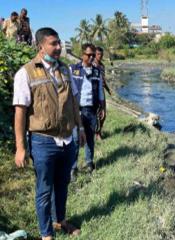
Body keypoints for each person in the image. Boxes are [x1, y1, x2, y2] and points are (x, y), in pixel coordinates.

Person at [13, 27, 84, 240]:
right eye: (53, 44)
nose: (59, 47)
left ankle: (60, 221)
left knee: (62, 183)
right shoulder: (25, 73)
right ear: (40, 47)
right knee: (44, 190)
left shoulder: (65, 70)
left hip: (67, 139)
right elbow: (20, 112)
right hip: (43, 141)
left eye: (59, 42)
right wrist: (20, 147)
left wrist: (79, 128)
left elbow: (74, 101)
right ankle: (46, 234)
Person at [70, 43, 105, 177]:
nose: (91, 57)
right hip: (76, 111)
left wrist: (102, 107)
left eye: (93, 55)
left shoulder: (97, 72)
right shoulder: (73, 70)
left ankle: (89, 163)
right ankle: (73, 168)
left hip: (91, 110)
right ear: (82, 54)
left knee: (90, 138)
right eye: (88, 55)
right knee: (75, 139)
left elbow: (100, 91)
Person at [93, 46, 111, 140]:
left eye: (101, 54)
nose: (100, 56)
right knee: (93, 114)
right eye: (98, 54)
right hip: (92, 92)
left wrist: (108, 89)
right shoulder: (91, 65)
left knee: (103, 114)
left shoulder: (102, 66)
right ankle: (93, 132)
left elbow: (103, 80)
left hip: (101, 91)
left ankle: (98, 133)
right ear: (95, 54)